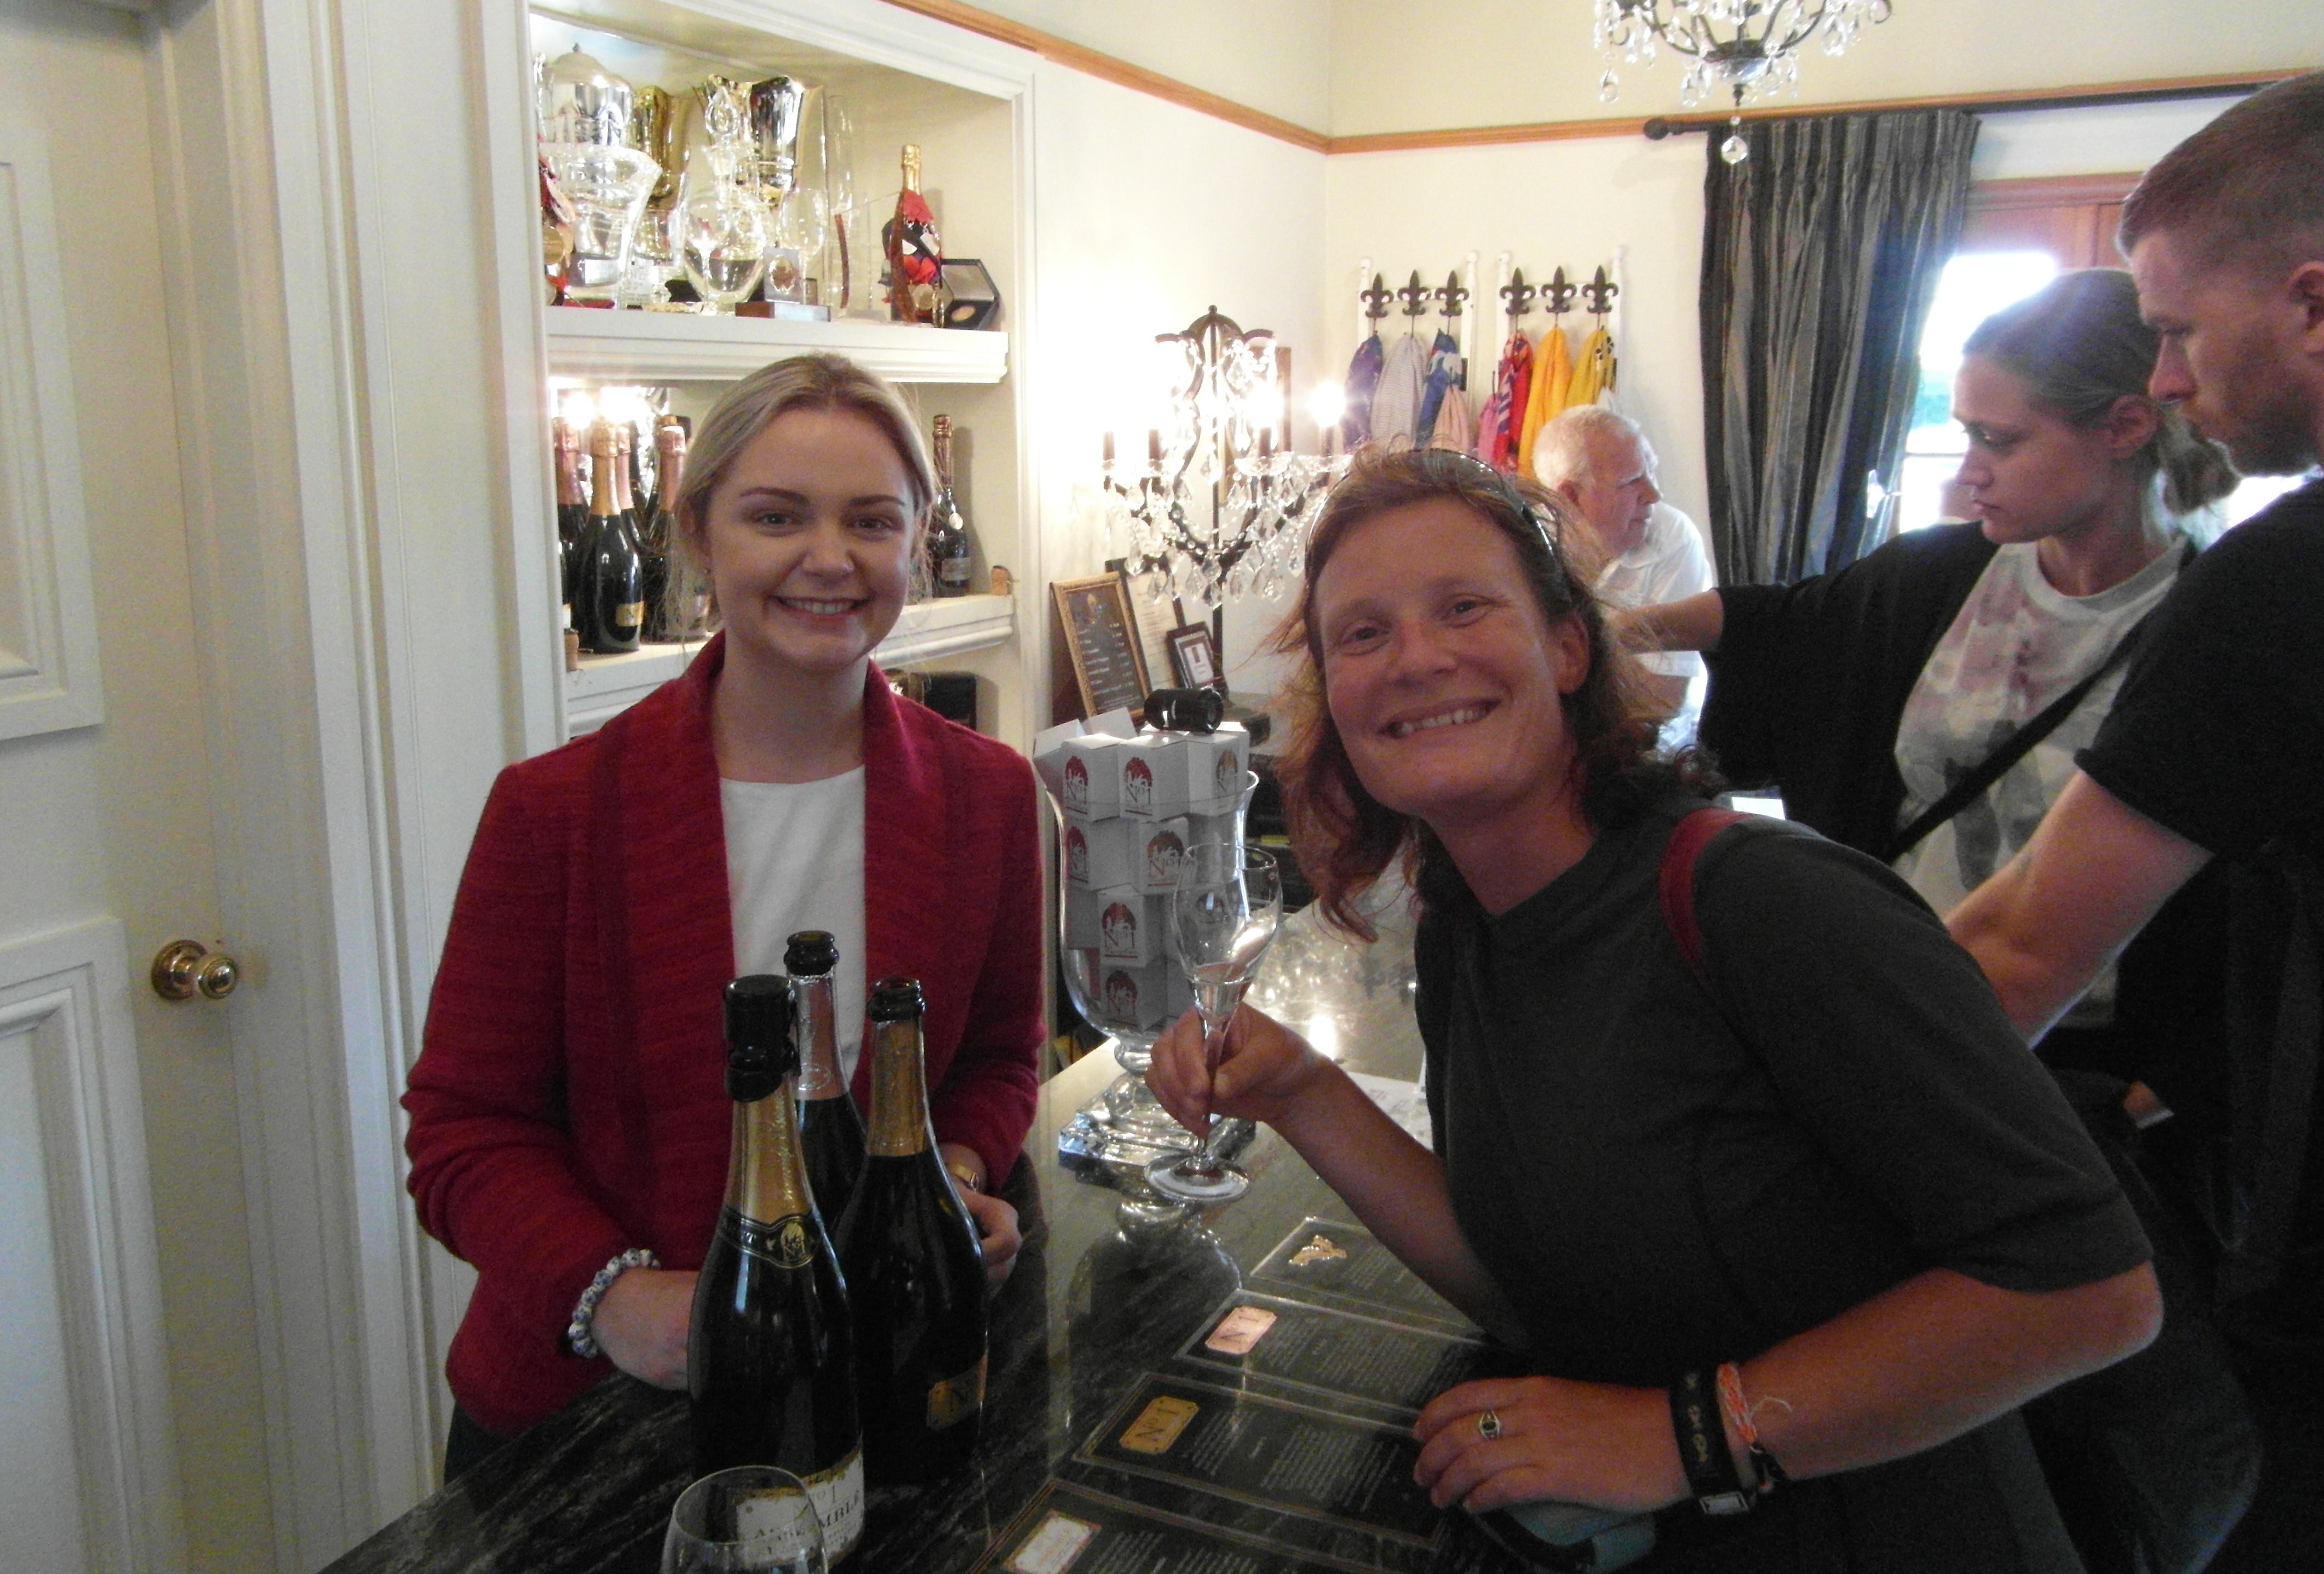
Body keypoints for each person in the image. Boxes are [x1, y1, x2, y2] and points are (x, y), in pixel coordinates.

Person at [1150, 446, 2160, 1571]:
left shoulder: (1764, 902)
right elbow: (1541, 1289)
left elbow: (2088, 1287)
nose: (1417, 659)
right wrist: (1303, 1093)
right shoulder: (1470, 929)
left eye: (1465, 607)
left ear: (1569, 647)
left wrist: (1684, 1439)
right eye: (1363, 634)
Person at [405, 354, 1041, 1478]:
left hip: (878, 1386)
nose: (830, 558)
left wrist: (947, 1179)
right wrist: (615, 1298)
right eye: (777, 516)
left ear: (914, 541)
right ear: (699, 532)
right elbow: (464, 1131)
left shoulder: (988, 794)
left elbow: (997, 1057)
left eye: (872, 521)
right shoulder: (552, 813)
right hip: (602, 1412)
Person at [1947, 71, 2324, 1573]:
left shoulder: (2298, 576)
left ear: (2314, 306)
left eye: (2180, 330)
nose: (2171, 379)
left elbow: (2017, 951)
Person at [1625, 271, 2234, 1058]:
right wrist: (1603, 632)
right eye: (1967, 434)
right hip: (1895, 1003)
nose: (1967, 472)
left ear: (2125, 426)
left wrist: (2164, 1091)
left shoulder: (2213, 626)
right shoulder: (1939, 574)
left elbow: (2244, 895)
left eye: (1999, 440)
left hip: (2084, 1056)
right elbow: (1781, 621)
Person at [1530, 405, 1715, 730]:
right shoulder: (1524, 543)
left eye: (1651, 472)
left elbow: (1661, 699)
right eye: (1631, 482)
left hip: (1653, 743)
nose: (1655, 494)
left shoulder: (1672, 535)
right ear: (1569, 497)